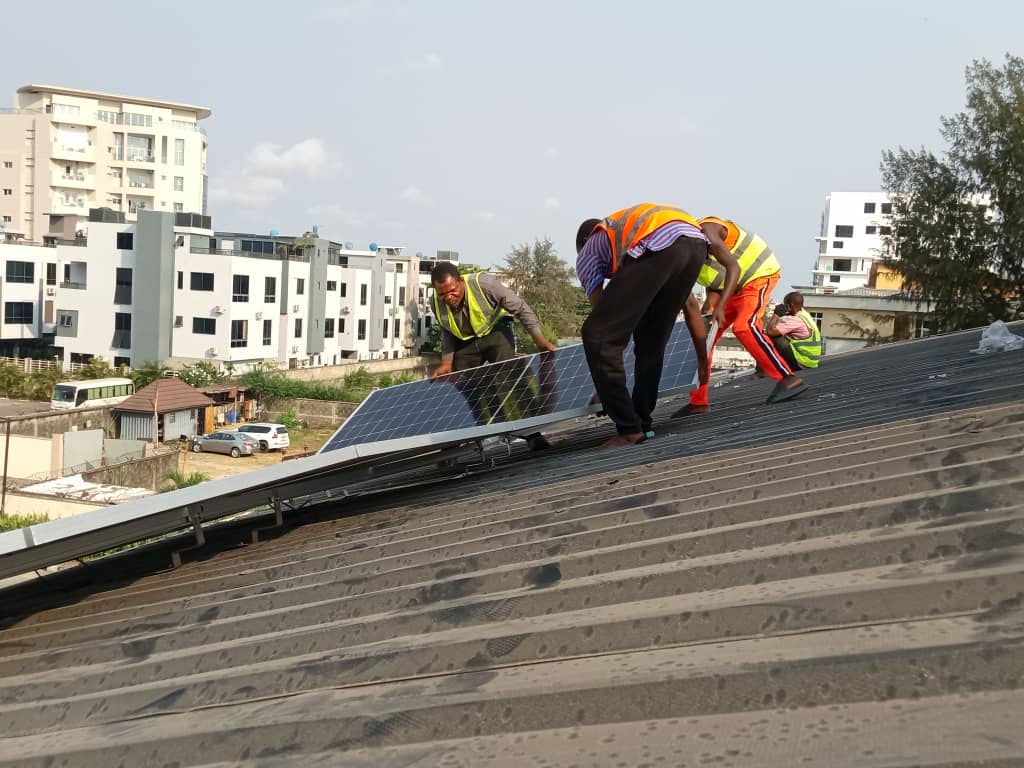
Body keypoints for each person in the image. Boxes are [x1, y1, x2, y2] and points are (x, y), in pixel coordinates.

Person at [576, 203, 739, 448]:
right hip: (695, 242)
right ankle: (642, 422)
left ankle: (629, 430)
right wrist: (702, 361)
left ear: (584, 242)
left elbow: (607, 330)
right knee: (651, 339)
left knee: (596, 334)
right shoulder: (626, 242)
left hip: (662, 239)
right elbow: (691, 306)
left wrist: (606, 389)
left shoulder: (588, 252)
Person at [673, 216, 807, 418]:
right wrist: (708, 311)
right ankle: (698, 401)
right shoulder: (684, 256)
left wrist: (721, 306)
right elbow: (714, 282)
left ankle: (788, 378)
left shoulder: (709, 229)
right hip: (732, 289)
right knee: (702, 337)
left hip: (759, 275)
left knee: (744, 326)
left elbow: (732, 267)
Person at [429, 262, 557, 379]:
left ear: (461, 281)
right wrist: (446, 363)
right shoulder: (435, 302)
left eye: (453, 291)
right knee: (462, 382)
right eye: (442, 294)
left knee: (507, 374)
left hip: (496, 333)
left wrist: (540, 341)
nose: (448, 297)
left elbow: (521, 308)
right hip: (467, 343)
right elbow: (447, 331)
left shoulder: (485, 284)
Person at [765, 291, 823, 371]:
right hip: (811, 362)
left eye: (785, 305)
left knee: (771, 337)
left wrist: (776, 314)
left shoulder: (795, 320)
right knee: (779, 335)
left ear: (791, 305)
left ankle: (766, 370)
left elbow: (770, 332)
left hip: (802, 363)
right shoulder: (804, 314)